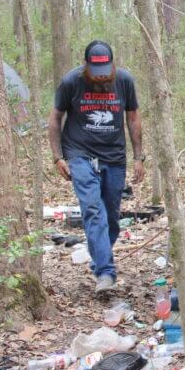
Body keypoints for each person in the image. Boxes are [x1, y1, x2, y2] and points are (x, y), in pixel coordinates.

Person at [48, 41, 145, 293]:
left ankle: (99, 259)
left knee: (111, 218)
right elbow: (56, 117)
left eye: (105, 71)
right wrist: (58, 157)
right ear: (86, 65)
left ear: (113, 64)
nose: (100, 77)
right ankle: (105, 272)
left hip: (114, 157)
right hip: (80, 153)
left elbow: (132, 118)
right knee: (93, 210)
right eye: (95, 71)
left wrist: (138, 157)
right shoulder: (72, 81)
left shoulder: (124, 80)